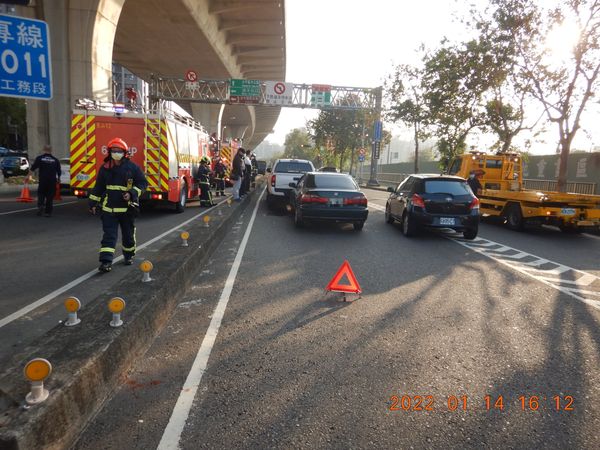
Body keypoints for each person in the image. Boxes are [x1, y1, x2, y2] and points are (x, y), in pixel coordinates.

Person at [88, 137, 148, 273]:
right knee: (109, 236)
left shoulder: (133, 168)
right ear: (109, 152)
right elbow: (98, 188)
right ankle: (106, 262)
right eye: (113, 150)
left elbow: (143, 184)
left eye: (119, 151)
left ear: (125, 152)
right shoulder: (105, 169)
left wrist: (132, 193)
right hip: (109, 210)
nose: (116, 153)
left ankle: (129, 255)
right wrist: (92, 203)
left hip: (127, 210)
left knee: (128, 235)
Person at [29, 145, 61, 217]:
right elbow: (58, 171)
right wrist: (58, 179)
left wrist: (27, 176)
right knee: (50, 197)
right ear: (51, 150)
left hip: (43, 180)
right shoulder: (55, 160)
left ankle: (40, 206)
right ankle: (48, 212)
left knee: (41, 194)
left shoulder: (40, 158)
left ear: (44, 149)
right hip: (52, 181)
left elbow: (33, 168)